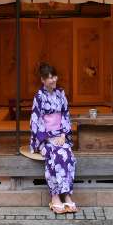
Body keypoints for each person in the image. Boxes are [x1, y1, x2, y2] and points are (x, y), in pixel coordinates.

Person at [30, 63, 77, 214]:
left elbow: (65, 115)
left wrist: (63, 135)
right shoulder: (39, 96)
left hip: (60, 135)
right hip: (45, 138)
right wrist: (48, 139)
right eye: (49, 77)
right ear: (42, 80)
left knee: (68, 155)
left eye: (54, 76)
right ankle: (55, 196)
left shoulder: (61, 93)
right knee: (55, 155)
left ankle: (67, 195)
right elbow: (36, 121)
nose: (52, 80)